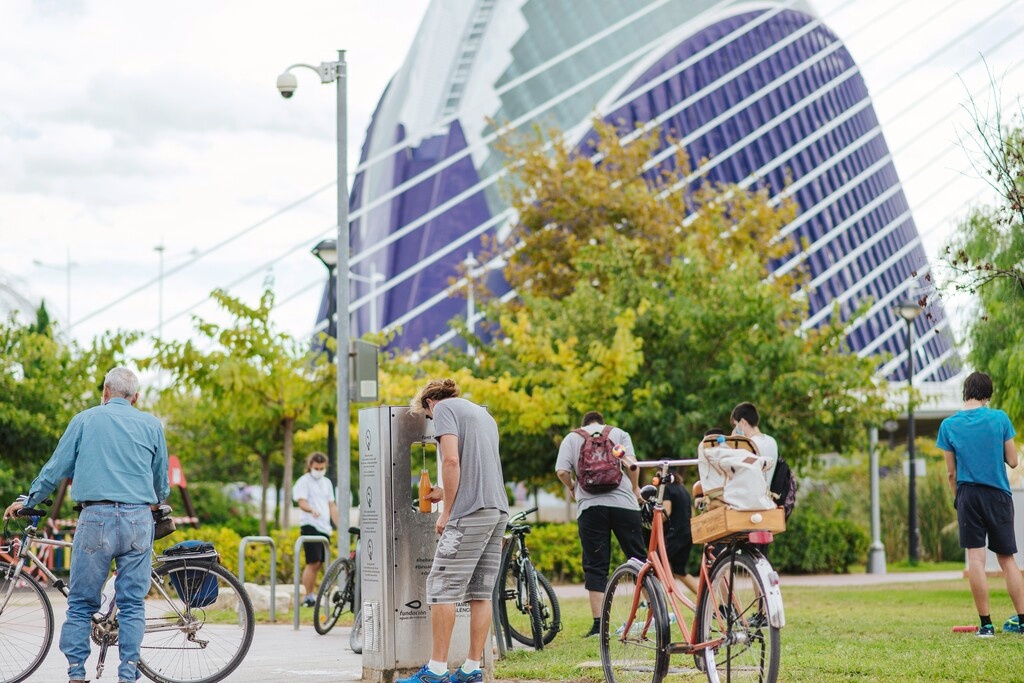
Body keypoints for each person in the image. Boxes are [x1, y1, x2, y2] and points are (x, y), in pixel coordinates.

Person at [3, 367, 169, 683]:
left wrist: (30, 500)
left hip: (96, 519)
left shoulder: (85, 420)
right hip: (138, 520)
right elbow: (160, 482)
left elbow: (55, 469)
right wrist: (156, 502)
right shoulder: (152, 425)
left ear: (105, 392)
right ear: (135, 398)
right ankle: (128, 675)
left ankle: (77, 674)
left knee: (80, 603)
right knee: (132, 605)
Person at [397, 378, 508, 683]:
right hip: (496, 510)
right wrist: (444, 493)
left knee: (440, 586)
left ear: (429, 404)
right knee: (480, 591)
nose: (431, 422)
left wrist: (447, 512)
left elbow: (451, 459)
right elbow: (478, 473)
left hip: (469, 514)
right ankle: (473, 669)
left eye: (427, 418)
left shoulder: (443, 409)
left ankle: (435, 671)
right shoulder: (483, 415)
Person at [937, 371, 1024, 637]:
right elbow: (1013, 461)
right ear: (987, 395)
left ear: (965, 392)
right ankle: (1023, 621)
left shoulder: (948, 425)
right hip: (998, 495)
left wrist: (958, 498)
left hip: (968, 495)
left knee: (975, 558)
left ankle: (985, 625)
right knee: (1007, 559)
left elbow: (951, 473)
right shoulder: (999, 418)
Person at [556, 411, 647, 638]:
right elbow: (633, 466)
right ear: (601, 422)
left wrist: (572, 486)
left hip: (590, 507)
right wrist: (635, 489)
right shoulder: (618, 433)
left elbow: (561, 471)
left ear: (583, 424)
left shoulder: (571, 438)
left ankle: (599, 625)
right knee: (638, 558)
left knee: (595, 564)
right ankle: (655, 612)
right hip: (624, 504)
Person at [293, 451, 339, 608]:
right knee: (313, 562)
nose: (319, 471)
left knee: (319, 564)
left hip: (324, 528)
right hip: (310, 525)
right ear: (310, 466)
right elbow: (301, 502)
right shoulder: (304, 481)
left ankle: (313, 594)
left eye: (321, 468)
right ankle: (308, 596)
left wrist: (339, 524)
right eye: (316, 468)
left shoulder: (327, 483)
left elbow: (332, 505)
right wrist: (311, 509)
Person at [731, 402, 779, 484]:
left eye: (736, 425)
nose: (735, 429)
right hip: (766, 495)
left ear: (743, 422)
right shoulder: (772, 441)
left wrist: (733, 442)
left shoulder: (749, 445)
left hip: (750, 495)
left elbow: (736, 473)